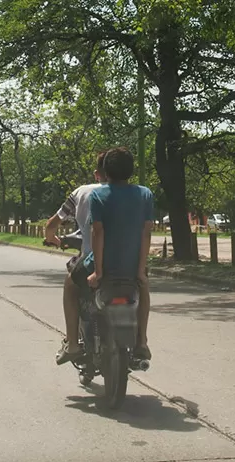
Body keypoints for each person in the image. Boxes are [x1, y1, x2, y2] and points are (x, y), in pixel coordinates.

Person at [78, 147, 155, 360]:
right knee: (144, 289)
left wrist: (98, 272)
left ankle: (73, 343)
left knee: (71, 282)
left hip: (105, 266)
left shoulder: (98, 195)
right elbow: (146, 233)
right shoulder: (145, 194)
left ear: (105, 172)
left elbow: (98, 232)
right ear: (131, 170)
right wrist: (140, 271)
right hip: (132, 266)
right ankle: (141, 341)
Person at [47, 152, 106, 365]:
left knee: (70, 284)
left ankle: (72, 343)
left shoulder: (83, 192)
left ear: (97, 174)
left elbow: (53, 223)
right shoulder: (134, 194)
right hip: (127, 261)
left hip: (91, 259)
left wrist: (51, 238)